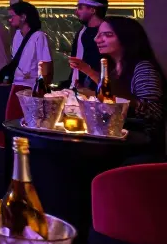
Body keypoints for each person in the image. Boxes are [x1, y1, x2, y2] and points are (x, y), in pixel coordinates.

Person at [70, 17, 164, 151]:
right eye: (98, 34)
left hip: (137, 143)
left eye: (107, 35)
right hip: (112, 137)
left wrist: (112, 100)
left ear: (127, 38)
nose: (97, 39)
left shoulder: (143, 68)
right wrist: (87, 71)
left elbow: (153, 112)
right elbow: (110, 91)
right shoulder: (113, 68)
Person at [0, 1, 51, 87]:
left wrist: (41, 87)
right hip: (16, 82)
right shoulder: (17, 34)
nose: (10, 20)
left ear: (23, 17)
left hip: (31, 85)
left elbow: (44, 63)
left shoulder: (39, 36)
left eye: (12, 16)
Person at [69, 0, 109, 90]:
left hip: (102, 90)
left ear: (92, 10)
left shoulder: (108, 34)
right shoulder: (81, 32)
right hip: (79, 89)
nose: (76, 12)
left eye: (80, 8)